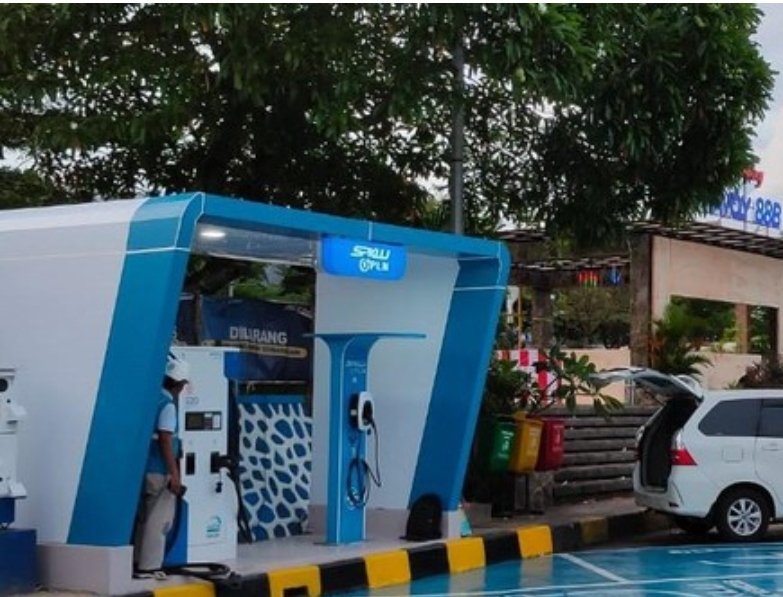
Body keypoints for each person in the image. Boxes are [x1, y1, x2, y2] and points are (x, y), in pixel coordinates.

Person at [133, 354, 189, 579]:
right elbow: (165, 439)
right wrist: (174, 474)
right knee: (159, 520)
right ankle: (149, 567)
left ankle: (136, 562)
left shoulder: (149, 399)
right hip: (160, 470)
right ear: (178, 384)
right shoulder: (167, 406)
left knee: (144, 519)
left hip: (144, 468)